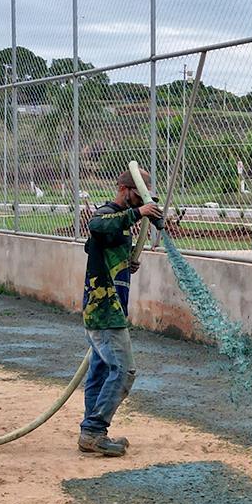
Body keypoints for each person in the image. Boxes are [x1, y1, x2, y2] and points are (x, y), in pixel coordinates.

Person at [78, 168, 163, 457]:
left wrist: (126, 262)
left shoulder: (121, 222)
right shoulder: (108, 213)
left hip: (108, 307)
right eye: (138, 196)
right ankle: (94, 430)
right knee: (124, 371)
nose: (140, 202)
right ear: (124, 189)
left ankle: (90, 434)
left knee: (100, 371)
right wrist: (138, 213)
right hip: (105, 310)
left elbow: (97, 247)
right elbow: (96, 226)